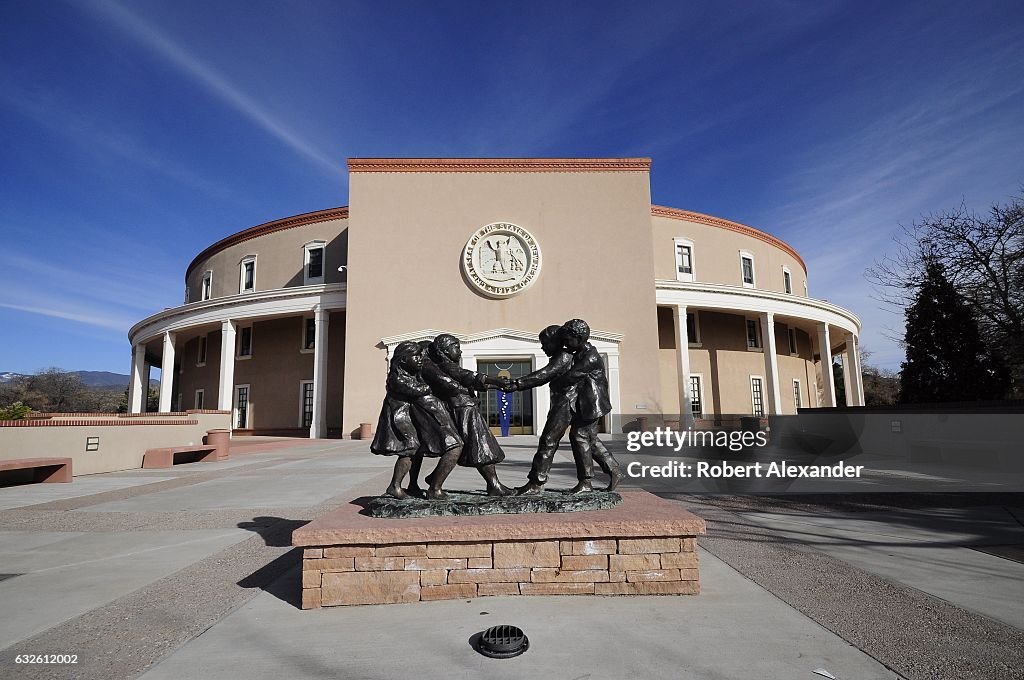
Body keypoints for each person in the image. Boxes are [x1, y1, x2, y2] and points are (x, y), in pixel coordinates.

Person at [511, 319, 622, 494]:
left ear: (578, 338)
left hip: (588, 404)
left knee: (565, 438)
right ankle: (612, 470)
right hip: (582, 403)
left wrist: (519, 384)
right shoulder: (575, 353)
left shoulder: (585, 357)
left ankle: (546, 482)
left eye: (546, 343)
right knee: (588, 440)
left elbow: (564, 376)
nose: (566, 344)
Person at [421, 334, 515, 496]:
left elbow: (466, 383)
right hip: (464, 410)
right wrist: (496, 381)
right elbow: (468, 376)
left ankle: (436, 479)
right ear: (444, 350)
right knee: (482, 447)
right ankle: (493, 485)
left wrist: (493, 387)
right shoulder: (447, 366)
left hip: (465, 407)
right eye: (456, 347)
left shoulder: (445, 366)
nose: (460, 351)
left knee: (479, 448)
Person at [370, 341, 462, 499]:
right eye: (416, 356)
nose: (421, 359)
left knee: (416, 450)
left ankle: (412, 485)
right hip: (400, 420)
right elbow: (417, 390)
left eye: (421, 355)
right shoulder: (396, 378)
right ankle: (395, 486)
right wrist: (432, 386)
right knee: (409, 450)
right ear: (403, 360)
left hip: (409, 417)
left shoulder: (411, 375)